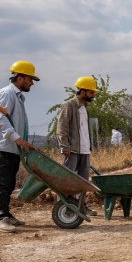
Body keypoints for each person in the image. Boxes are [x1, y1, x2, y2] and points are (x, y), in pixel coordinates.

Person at [0, 61, 40, 233]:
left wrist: (21, 142)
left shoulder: (17, 97)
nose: (32, 83)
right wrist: (18, 140)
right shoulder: (6, 94)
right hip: (1, 147)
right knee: (1, 183)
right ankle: (0, 218)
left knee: (8, 183)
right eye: (30, 79)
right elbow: (0, 120)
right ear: (20, 77)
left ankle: (6, 214)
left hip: (12, 148)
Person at [56, 76, 98, 215]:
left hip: (84, 150)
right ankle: (63, 207)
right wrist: (64, 146)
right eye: (91, 92)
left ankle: (81, 206)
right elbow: (62, 127)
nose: (93, 95)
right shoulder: (69, 105)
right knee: (67, 180)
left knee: (83, 181)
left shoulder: (85, 108)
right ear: (83, 91)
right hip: (72, 150)